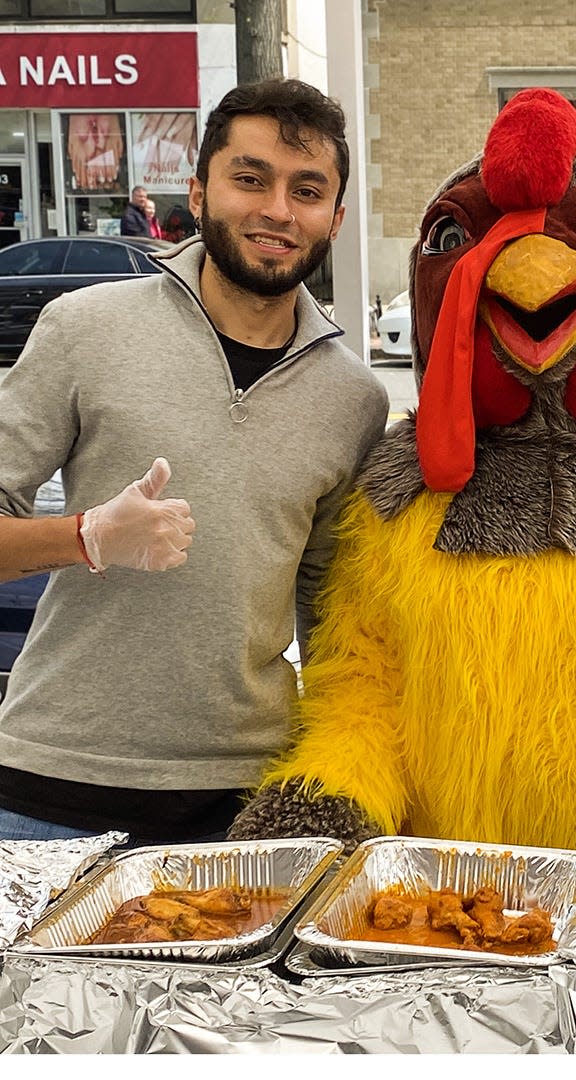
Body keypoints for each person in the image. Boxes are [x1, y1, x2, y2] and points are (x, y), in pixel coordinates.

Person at [0, 77, 389, 846]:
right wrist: (84, 538)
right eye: (250, 179)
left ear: (334, 219)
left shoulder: (355, 398)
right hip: (53, 790)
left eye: (306, 190)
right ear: (200, 190)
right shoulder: (84, 329)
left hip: (247, 802)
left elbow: (326, 612)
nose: (278, 209)